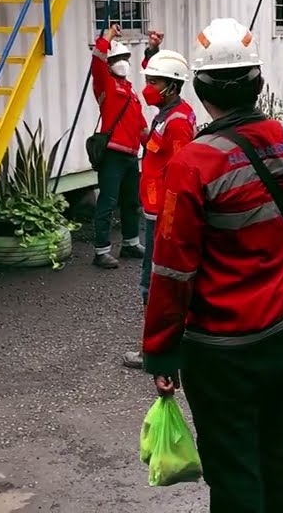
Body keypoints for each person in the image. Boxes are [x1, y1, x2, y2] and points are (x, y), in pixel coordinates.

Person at [143, 17, 283, 512]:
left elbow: (171, 273)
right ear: (259, 83)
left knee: (234, 471)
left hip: (222, 352)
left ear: (200, 89)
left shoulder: (193, 165)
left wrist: (160, 352)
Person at [121, 32, 196, 370]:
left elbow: (180, 172)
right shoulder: (168, 114)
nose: (147, 86)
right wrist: (152, 50)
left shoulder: (177, 121)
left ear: (172, 86)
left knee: (153, 283)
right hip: (154, 210)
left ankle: (156, 349)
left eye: (154, 81)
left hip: (163, 214)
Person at [90, 24, 149, 269]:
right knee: (107, 202)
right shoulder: (104, 83)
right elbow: (96, 62)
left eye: (125, 57)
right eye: (117, 58)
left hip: (130, 155)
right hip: (113, 153)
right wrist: (108, 37)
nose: (122, 62)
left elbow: (140, 121)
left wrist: (153, 144)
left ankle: (130, 243)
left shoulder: (130, 89)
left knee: (131, 202)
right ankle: (101, 250)